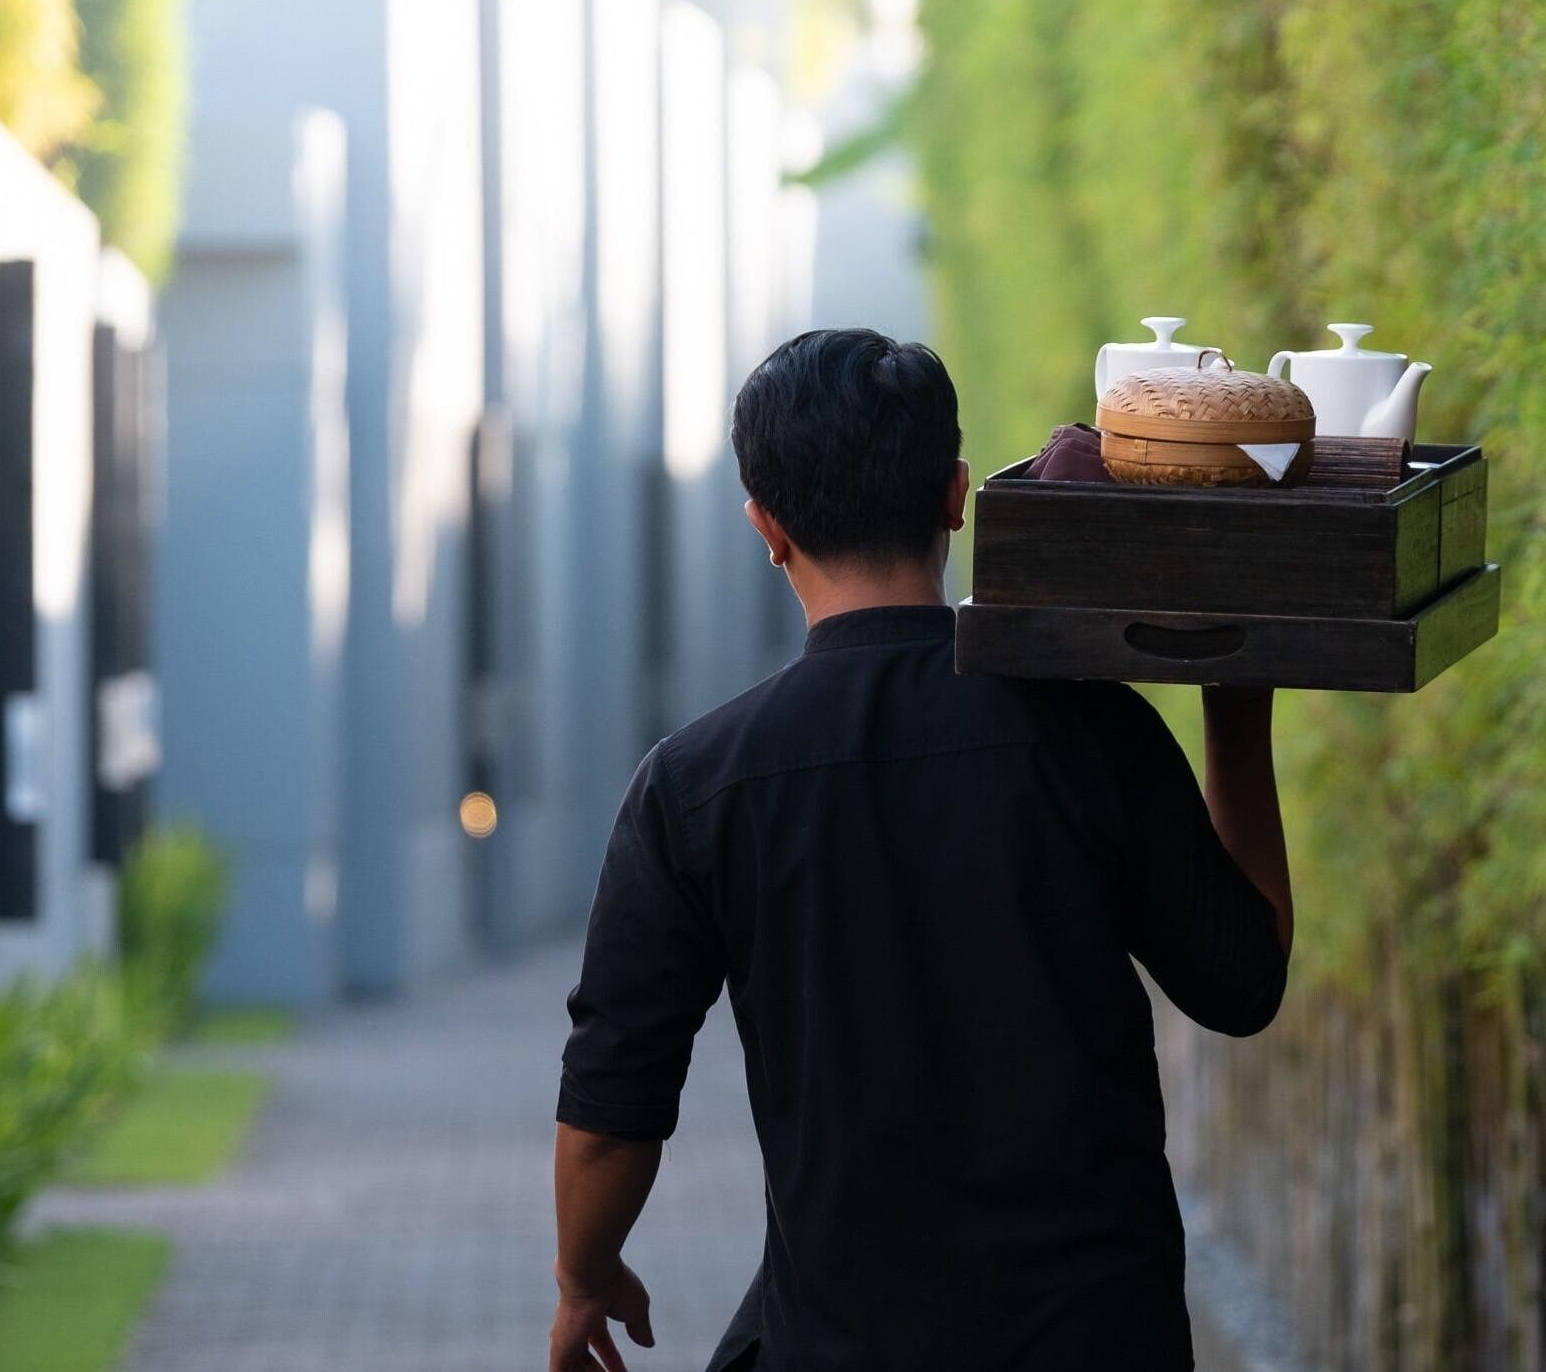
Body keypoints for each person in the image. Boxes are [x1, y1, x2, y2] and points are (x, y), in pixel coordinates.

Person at [550, 329, 1292, 1372]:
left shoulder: (693, 788)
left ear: (766, 529)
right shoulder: (1094, 731)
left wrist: (586, 1276)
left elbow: (611, 1104)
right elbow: (1242, 981)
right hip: (1097, 1335)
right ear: (954, 495)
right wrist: (1236, 712)